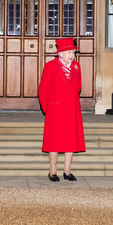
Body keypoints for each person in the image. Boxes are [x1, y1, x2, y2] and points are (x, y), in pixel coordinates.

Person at [38, 38, 86, 182]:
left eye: (73, 52)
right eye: (69, 52)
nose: (72, 55)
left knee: (70, 141)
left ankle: (67, 172)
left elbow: (78, 87)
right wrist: (47, 108)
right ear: (61, 54)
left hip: (72, 109)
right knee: (54, 141)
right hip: (55, 109)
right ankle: (52, 172)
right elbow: (43, 89)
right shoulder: (50, 66)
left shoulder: (76, 67)